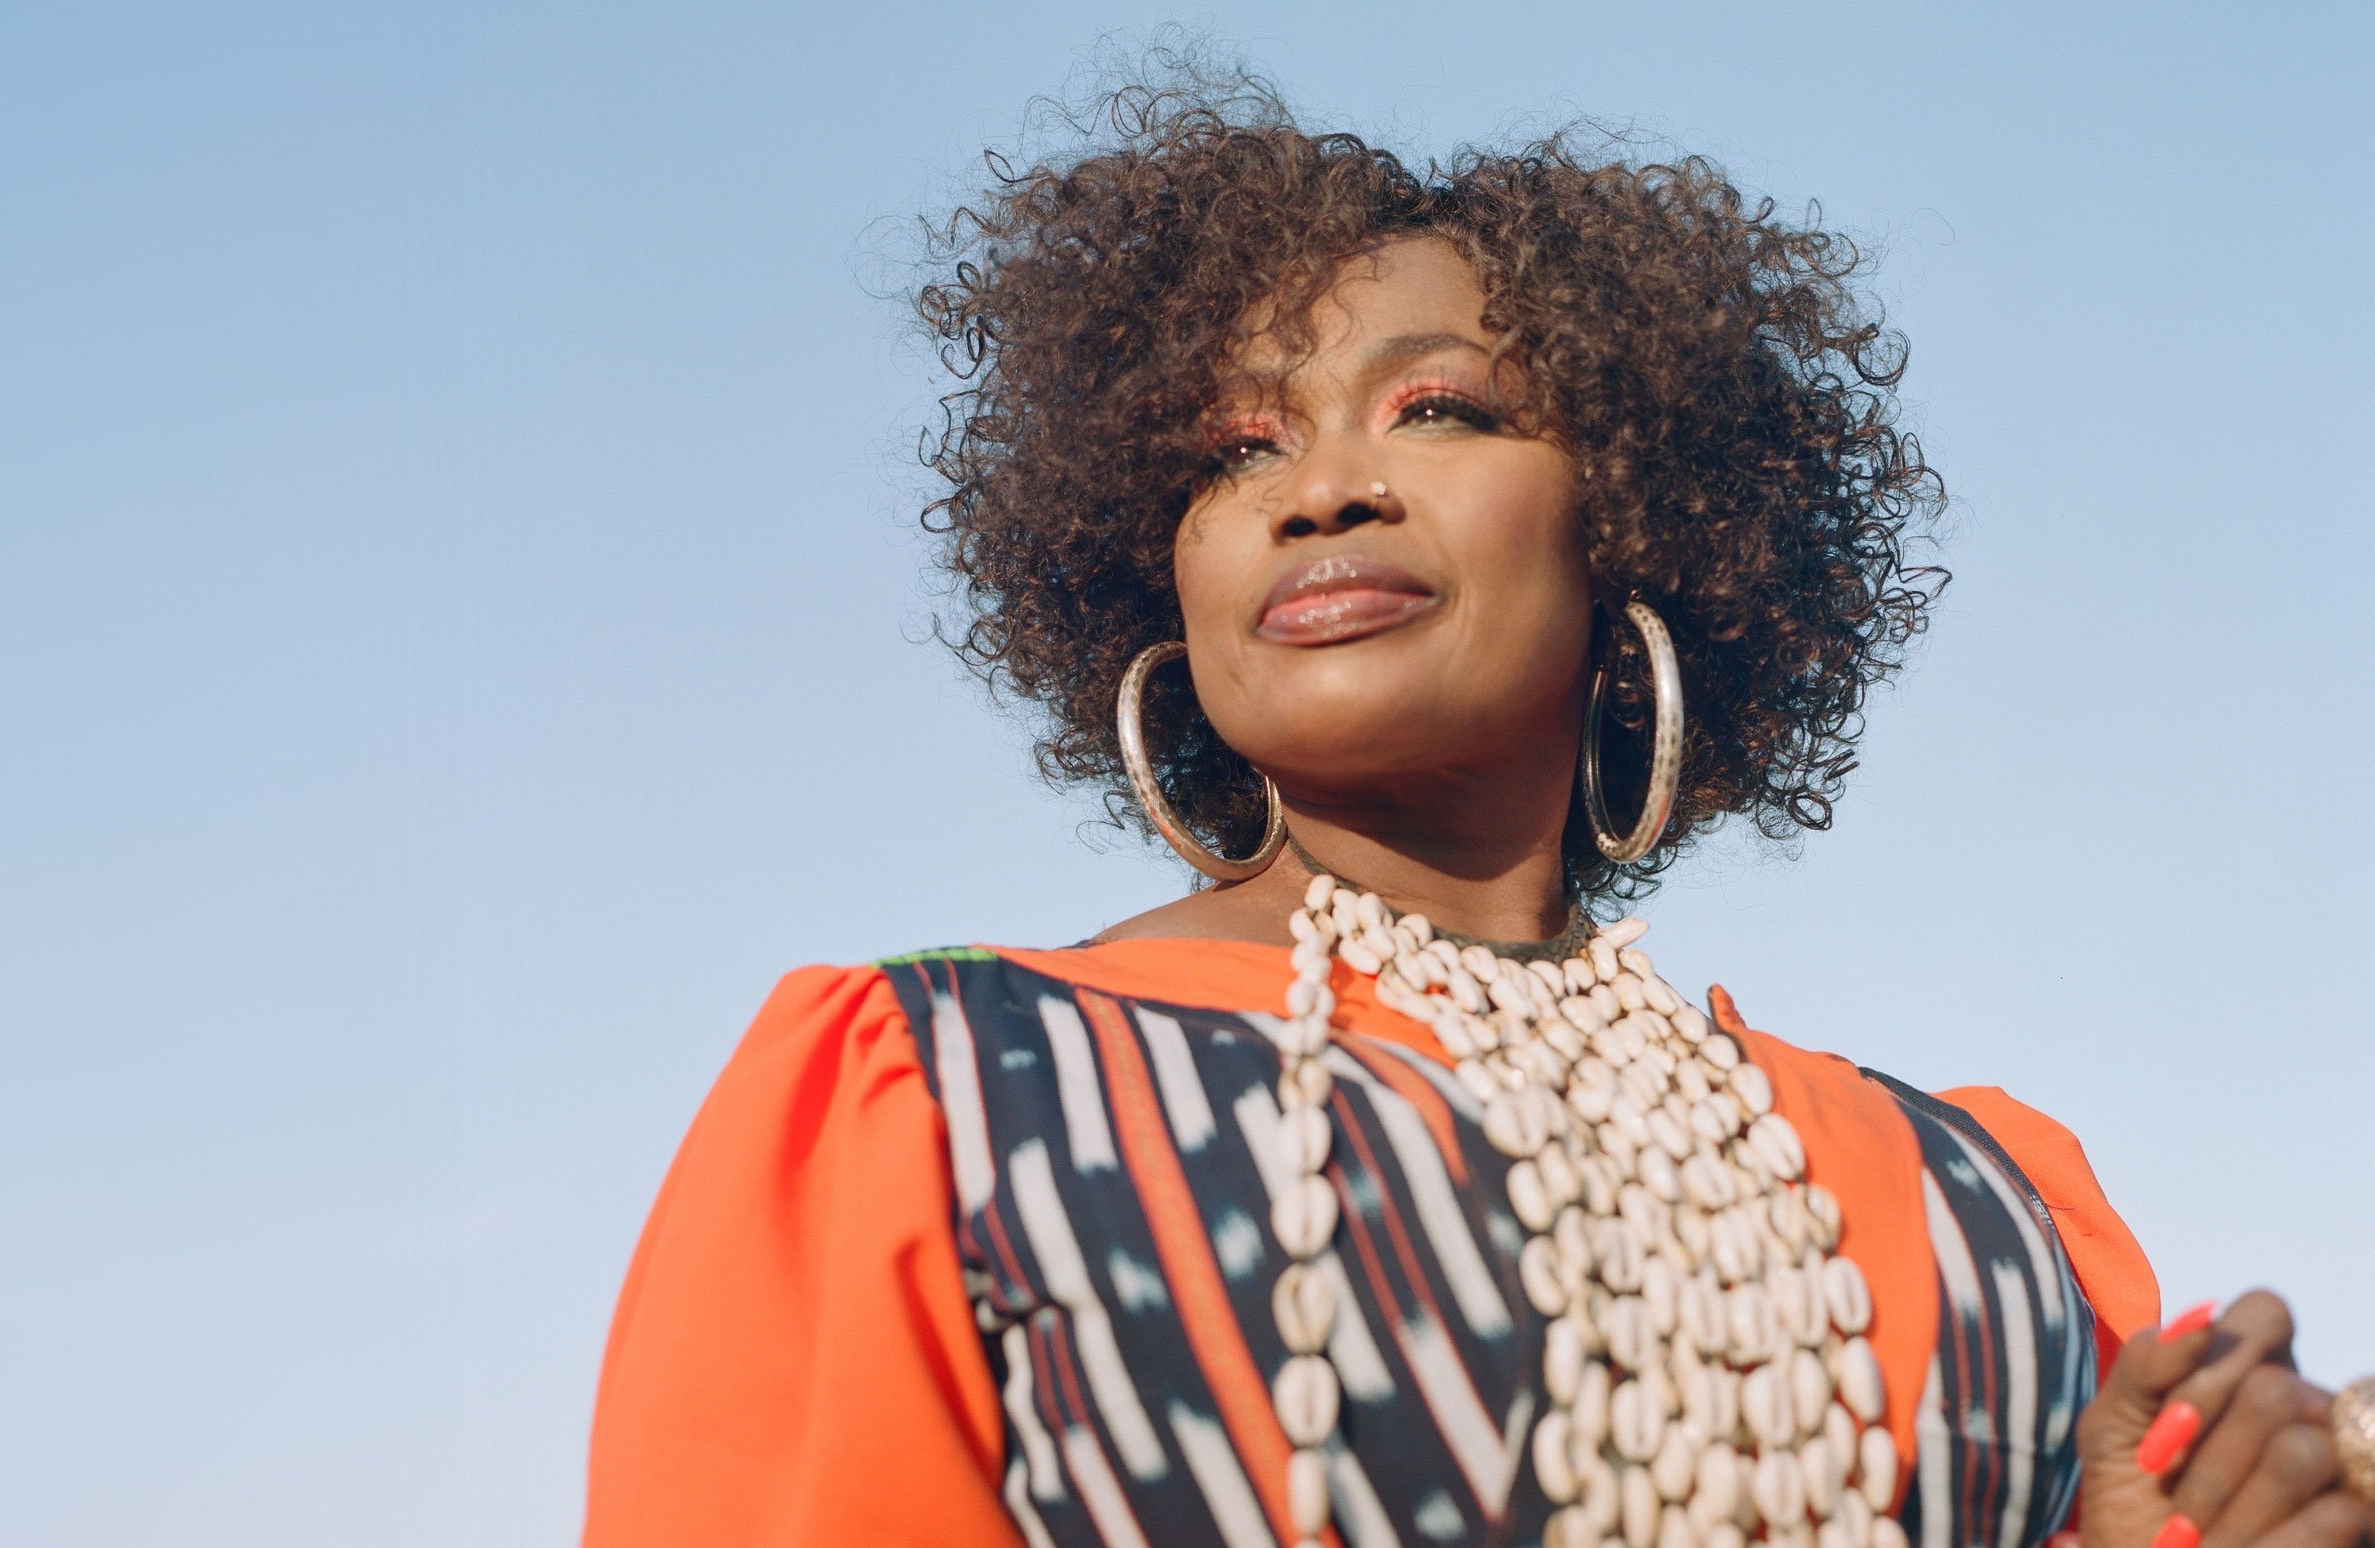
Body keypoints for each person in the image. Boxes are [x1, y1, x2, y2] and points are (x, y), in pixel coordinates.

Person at [581, 63, 2367, 1548]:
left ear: (1639, 521)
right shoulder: (941, 1091)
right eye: (1233, 450)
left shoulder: (1981, 1199)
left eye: (1432, 409)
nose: (1321, 493)